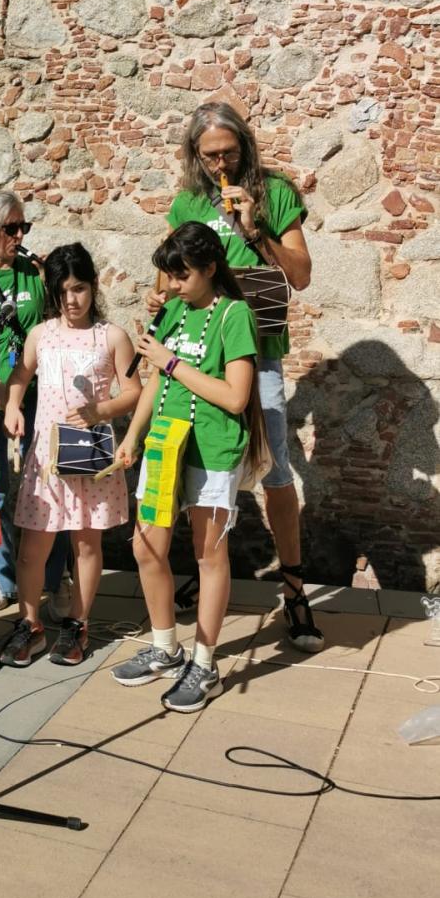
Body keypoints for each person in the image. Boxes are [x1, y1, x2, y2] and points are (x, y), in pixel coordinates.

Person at [149, 100, 323, 653]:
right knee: (201, 463)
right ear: (194, 156)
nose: (220, 164)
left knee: (275, 471)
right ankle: (207, 573)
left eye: (228, 153)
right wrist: (160, 294)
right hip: (199, 354)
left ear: (244, 146)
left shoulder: (275, 193)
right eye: (210, 156)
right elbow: (167, 277)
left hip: (258, 350)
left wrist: (255, 230)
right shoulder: (187, 202)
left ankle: (294, 590)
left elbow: (301, 275)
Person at [114, 222, 268, 711]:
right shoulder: (174, 310)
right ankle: (165, 648)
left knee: (209, 557)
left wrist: (171, 361)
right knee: (146, 546)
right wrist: (133, 436)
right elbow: (155, 382)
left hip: (212, 450)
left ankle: (204, 664)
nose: (173, 285)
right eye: (169, 276)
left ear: (210, 268)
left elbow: (236, 396)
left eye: (182, 276)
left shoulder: (235, 315)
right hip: (165, 444)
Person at [0, 243, 141, 668]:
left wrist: (103, 410)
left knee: (86, 542)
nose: (71, 300)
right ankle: (30, 625)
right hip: (47, 456)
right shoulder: (41, 334)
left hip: (89, 453)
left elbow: (134, 392)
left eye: (78, 288)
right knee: (32, 548)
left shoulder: (112, 336)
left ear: (93, 285)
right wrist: (12, 406)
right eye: (61, 291)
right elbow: (20, 375)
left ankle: (78, 624)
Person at [0, 191, 72, 618]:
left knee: (51, 484)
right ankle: (0, 576)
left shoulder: (31, 274)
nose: (19, 235)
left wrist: (50, 280)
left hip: (39, 392)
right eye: (11, 228)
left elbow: (59, 325)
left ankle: (56, 579)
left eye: (24, 227)